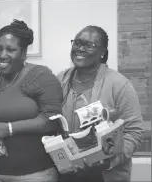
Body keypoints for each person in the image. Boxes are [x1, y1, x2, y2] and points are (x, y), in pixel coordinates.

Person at [0, 19, 63, 182]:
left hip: (33, 175)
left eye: (10, 49)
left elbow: (53, 120)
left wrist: (10, 128)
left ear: (23, 52)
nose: (2, 55)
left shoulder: (41, 76)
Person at [57, 25, 144, 182]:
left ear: (102, 52)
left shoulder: (119, 85)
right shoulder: (59, 80)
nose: (80, 48)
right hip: (65, 172)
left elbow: (135, 132)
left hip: (104, 174)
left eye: (89, 45)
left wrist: (110, 161)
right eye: (77, 43)